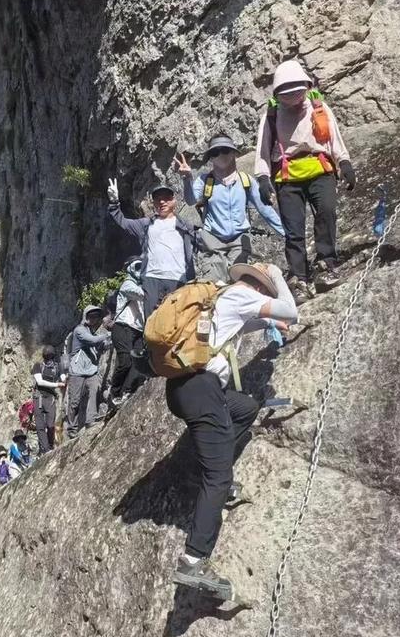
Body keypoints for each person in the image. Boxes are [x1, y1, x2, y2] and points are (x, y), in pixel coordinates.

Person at [166, 262, 298, 598]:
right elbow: (290, 310)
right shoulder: (242, 294)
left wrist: (271, 321)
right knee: (219, 478)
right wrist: (279, 276)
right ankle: (193, 561)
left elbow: (251, 322)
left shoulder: (226, 299)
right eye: (266, 292)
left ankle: (213, 463)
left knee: (246, 408)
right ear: (261, 289)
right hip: (202, 391)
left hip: (187, 390)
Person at [254, 60, 356, 304]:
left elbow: (333, 137)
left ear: (307, 86)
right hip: (287, 175)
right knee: (293, 229)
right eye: (287, 93)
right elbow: (263, 147)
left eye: (297, 91)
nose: (293, 97)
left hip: (319, 167)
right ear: (279, 93)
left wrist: (344, 162)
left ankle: (326, 262)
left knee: (327, 211)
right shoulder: (272, 113)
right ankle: (299, 277)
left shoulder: (318, 106)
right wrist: (263, 177)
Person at [175, 134, 285, 282]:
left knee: (238, 281)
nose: (221, 155)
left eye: (225, 150)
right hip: (212, 242)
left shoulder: (246, 180)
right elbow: (190, 201)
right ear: (211, 158)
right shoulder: (204, 180)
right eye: (215, 152)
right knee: (213, 284)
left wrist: (287, 234)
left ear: (234, 152)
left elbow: (264, 209)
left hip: (239, 241)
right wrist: (187, 178)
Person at [107, 179, 196, 318]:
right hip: (152, 279)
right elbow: (123, 222)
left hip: (178, 279)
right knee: (152, 322)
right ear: (153, 203)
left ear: (174, 201)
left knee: (176, 322)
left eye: (166, 198)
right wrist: (114, 203)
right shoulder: (145, 224)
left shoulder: (185, 225)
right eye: (158, 199)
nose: (162, 202)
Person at [66, 306, 111, 437]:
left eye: (96, 316)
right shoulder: (79, 330)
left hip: (91, 370)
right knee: (74, 402)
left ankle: (91, 420)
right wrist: (106, 335)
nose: (94, 319)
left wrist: (108, 342)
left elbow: (100, 346)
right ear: (86, 317)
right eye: (91, 316)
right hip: (77, 371)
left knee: (94, 391)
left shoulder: (93, 332)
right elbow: (91, 341)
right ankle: (72, 429)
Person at [109, 258, 145, 406]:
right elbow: (140, 294)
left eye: (142, 267)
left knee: (138, 362)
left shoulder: (143, 286)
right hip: (122, 327)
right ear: (130, 269)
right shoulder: (127, 284)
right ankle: (115, 392)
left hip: (138, 331)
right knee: (125, 362)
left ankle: (127, 391)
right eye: (137, 266)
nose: (140, 270)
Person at [31, 345, 66, 454]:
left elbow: (64, 377)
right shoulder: (38, 366)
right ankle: (45, 449)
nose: (48, 358)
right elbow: (40, 382)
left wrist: (67, 378)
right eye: (47, 356)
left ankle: (50, 445)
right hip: (39, 397)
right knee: (40, 426)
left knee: (50, 425)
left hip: (50, 398)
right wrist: (57, 384)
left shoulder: (58, 367)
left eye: (49, 356)